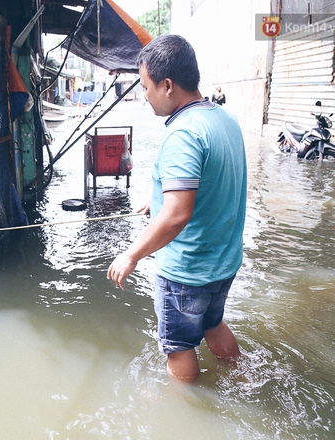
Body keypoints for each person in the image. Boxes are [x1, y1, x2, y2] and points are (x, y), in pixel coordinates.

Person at [107, 34, 247, 383]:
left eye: (146, 87)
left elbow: (177, 215)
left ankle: (186, 411)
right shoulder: (223, 119)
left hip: (187, 272)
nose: (145, 96)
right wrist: (157, 202)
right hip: (223, 262)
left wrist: (132, 255)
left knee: (178, 346)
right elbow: (209, 187)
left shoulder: (183, 133)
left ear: (167, 85)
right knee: (213, 323)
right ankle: (245, 377)